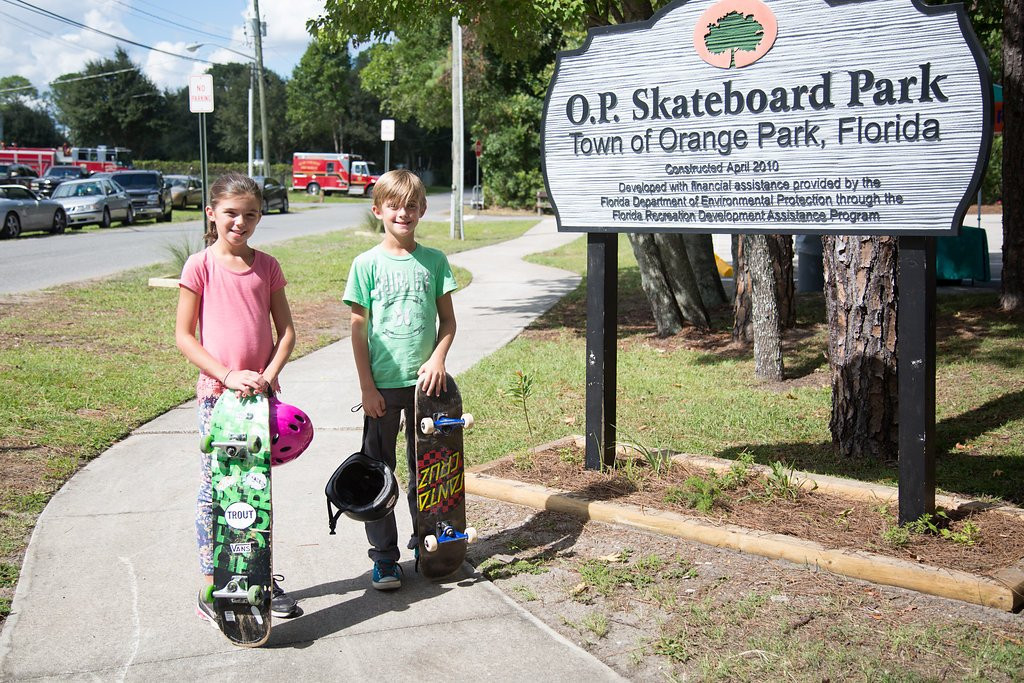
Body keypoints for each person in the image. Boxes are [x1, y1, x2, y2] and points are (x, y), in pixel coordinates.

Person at [174, 172, 300, 622]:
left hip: (261, 399)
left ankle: (258, 577)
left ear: (260, 216)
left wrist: (267, 376)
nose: (240, 223)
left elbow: (286, 333)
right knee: (215, 489)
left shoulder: (268, 267)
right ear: (211, 214)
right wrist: (227, 375)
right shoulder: (200, 265)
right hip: (218, 398)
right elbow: (185, 338)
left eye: (250, 215)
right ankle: (212, 585)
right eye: (231, 213)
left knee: (256, 490)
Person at [343, 169, 457, 590]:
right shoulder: (366, 264)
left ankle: (425, 544)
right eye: (394, 205)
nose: (403, 213)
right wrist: (367, 387)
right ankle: (385, 558)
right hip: (383, 389)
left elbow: (448, 322)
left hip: (428, 389)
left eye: (411, 205)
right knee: (379, 472)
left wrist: (438, 359)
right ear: (378, 211)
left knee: (426, 471)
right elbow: (357, 329)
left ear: (422, 210)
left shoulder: (435, 262)